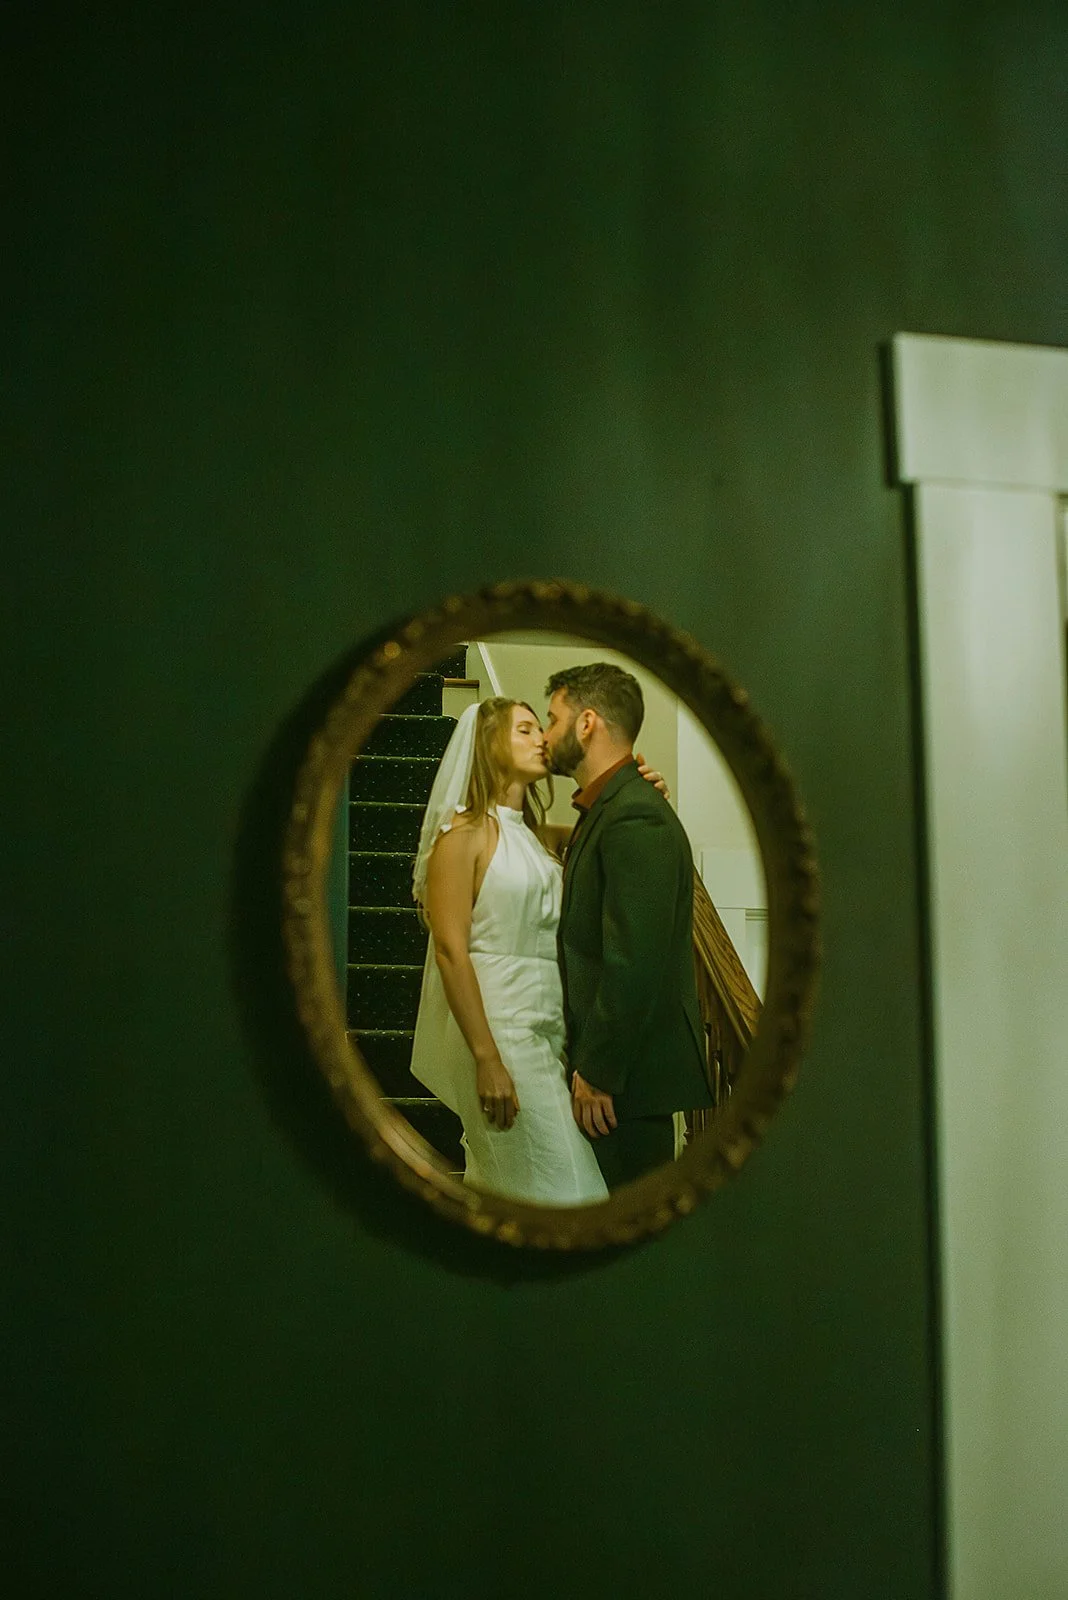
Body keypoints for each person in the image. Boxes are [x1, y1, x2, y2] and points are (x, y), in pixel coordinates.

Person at [408, 697, 668, 1206]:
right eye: (525, 729)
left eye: (537, 728)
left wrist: (642, 795)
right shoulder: (461, 834)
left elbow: (613, 833)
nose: (540, 739)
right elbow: (450, 951)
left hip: (547, 1031)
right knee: (572, 1193)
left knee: (523, 1196)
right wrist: (487, 1059)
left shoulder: (535, 835)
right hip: (498, 1032)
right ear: (488, 745)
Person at [543, 663, 714, 1189]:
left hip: (624, 1087)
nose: (547, 734)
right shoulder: (611, 807)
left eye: (553, 719)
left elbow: (633, 960)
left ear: (587, 723)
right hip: (614, 1083)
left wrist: (597, 1070)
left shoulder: (635, 815)